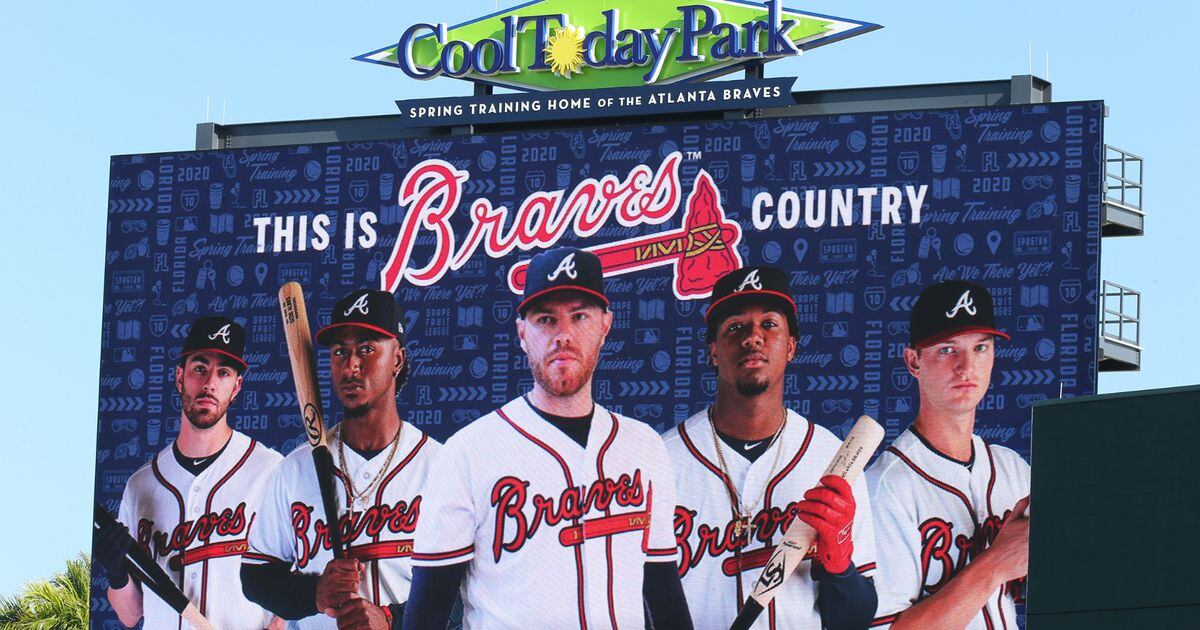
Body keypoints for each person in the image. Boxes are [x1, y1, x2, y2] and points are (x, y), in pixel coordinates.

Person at [405, 247, 690, 629]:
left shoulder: (644, 446)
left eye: (579, 316)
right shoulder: (468, 452)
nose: (563, 335)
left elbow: (664, 596)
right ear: (522, 333)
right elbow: (427, 614)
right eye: (546, 319)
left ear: (605, 325)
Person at [664, 266, 878, 629]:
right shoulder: (664, 459)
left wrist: (839, 564)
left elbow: (854, 621)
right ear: (713, 351)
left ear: (791, 347)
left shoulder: (832, 459)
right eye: (735, 327)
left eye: (770, 325)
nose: (753, 338)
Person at [242, 289, 439, 629]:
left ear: (398, 359)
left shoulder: (440, 466)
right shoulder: (296, 468)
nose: (350, 365)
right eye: (339, 352)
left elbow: (466, 589)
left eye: (367, 349)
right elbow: (256, 575)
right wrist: (314, 592)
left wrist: (391, 620)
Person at [95, 316, 284, 629]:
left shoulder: (270, 469)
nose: (210, 382)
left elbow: (295, 588)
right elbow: (130, 616)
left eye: (223, 372)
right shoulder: (141, 484)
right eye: (200, 367)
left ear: (236, 387)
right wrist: (117, 574)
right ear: (180, 377)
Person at [867, 280, 1030, 629]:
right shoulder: (885, 487)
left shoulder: (1013, 469)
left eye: (981, 348)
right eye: (947, 349)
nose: (966, 366)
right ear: (913, 361)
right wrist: (996, 563)